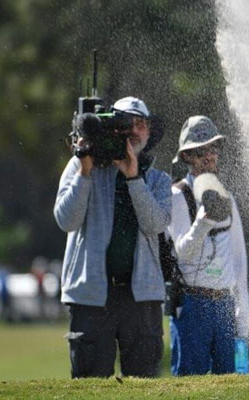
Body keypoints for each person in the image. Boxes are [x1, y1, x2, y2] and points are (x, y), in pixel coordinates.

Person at [53, 96, 171, 378]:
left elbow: (155, 224)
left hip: (141, 296)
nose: (133, 131)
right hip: (92, 295)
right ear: (110, 127)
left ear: (149, 132)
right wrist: (85, 170)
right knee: (90, 384)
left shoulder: (158, 180)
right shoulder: (81, 165)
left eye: (141, 124)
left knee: (143, 385)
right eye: (125, 124)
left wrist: (133, 177)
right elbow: (66, 220)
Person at [167, 115, 249, 375]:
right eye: (202, 151)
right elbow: (181, 254)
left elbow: (239, 262)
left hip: (224, 305)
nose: (210, 156)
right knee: (190, 387)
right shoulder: (178, 196)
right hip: (192, 304)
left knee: (231, 386)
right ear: (188, 156)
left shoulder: (228, 199)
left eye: (213, 148)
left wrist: (242, 318)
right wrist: (202, 223)